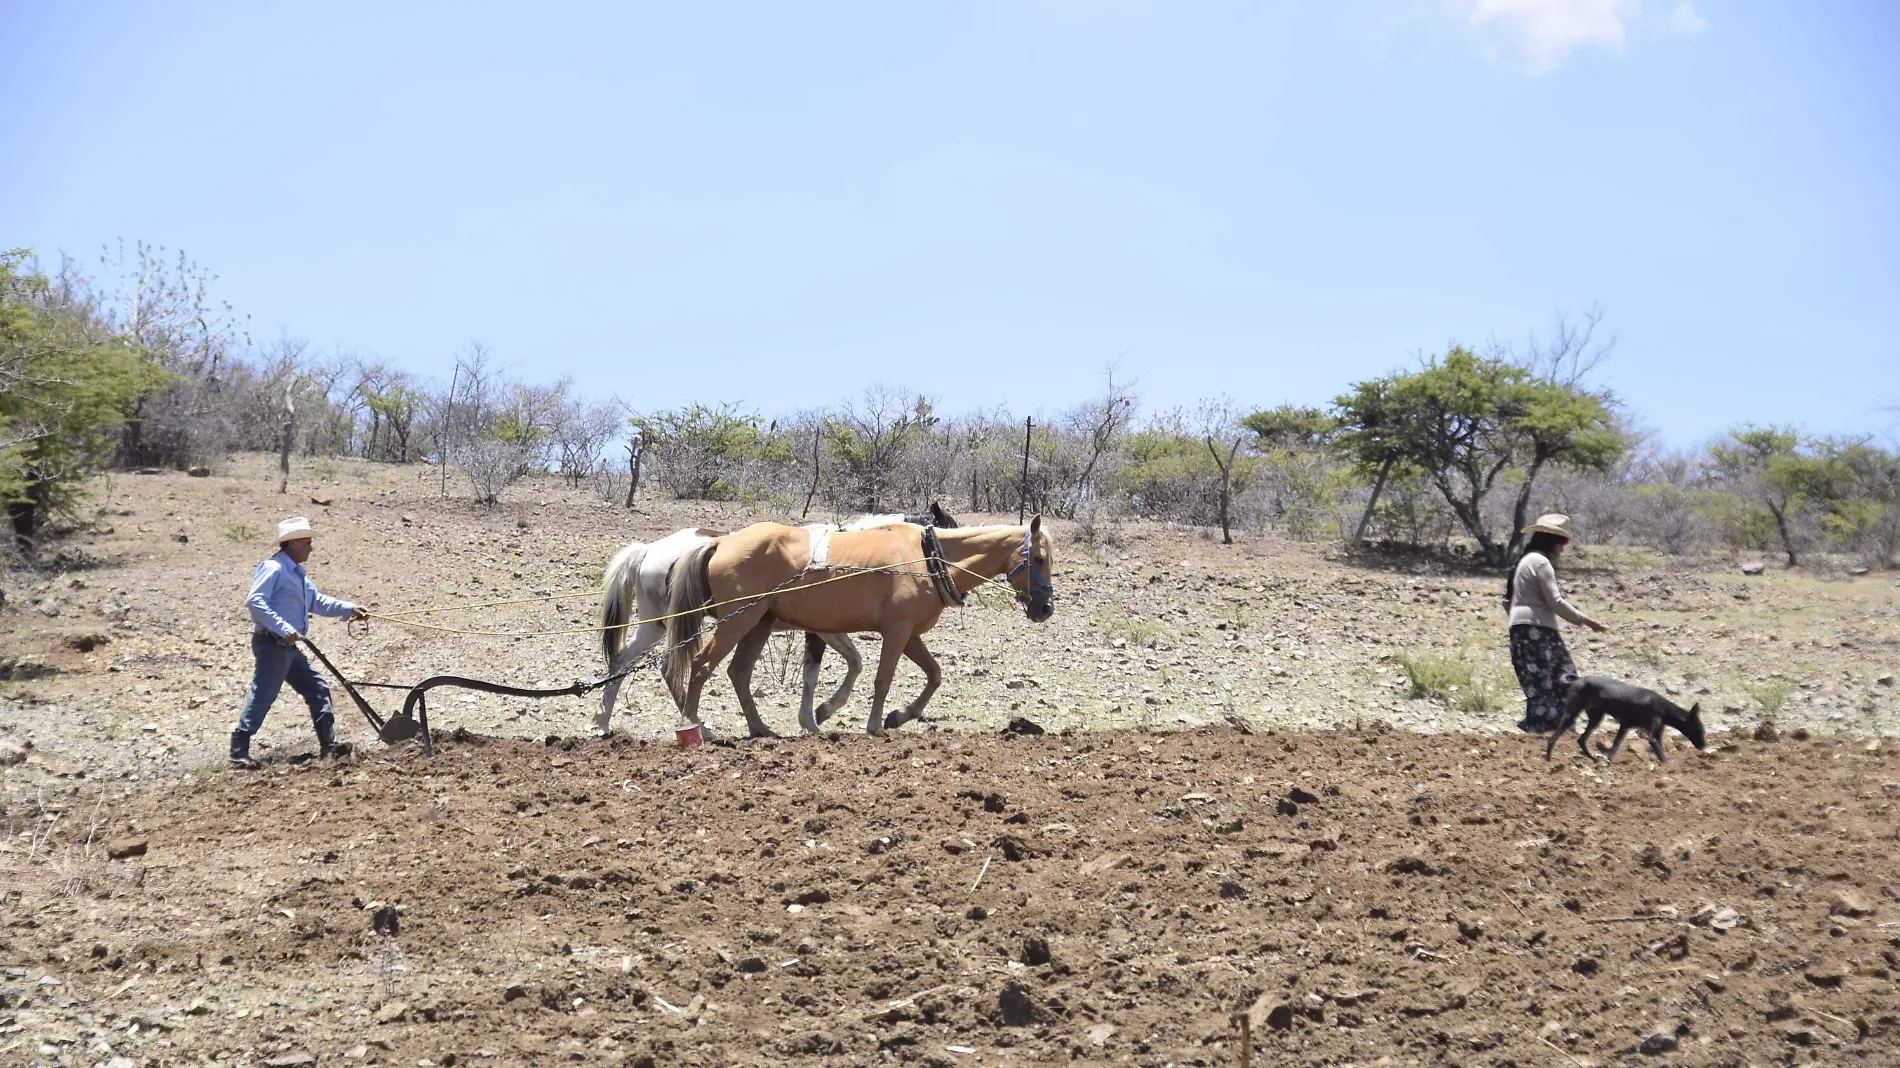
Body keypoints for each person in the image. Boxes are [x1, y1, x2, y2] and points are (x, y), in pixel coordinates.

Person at [230, 517, 367, 768]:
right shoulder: (274, 568)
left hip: (287, 646)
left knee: (317, 688)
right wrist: (283, 627)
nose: (311, 548)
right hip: (272, 644)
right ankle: (239, 750)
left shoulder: (296, 573)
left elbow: (317, 602)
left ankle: (328, 747)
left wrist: (349, 609)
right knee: (264, 693)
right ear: (292, 543)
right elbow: (255, 601)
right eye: (307, 542)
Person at [1503, 513, 1608, 734]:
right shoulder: (1541, 562)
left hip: (1520, 628)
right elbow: (1555, 601)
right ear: (1554, 542)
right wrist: (1586, 621)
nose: (1562, 550)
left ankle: (1545, 723)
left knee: (1539, 679)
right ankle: (1556, 724)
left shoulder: (1524, 561)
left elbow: (1507, 601)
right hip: (1539, 629)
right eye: (1562, 544)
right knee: (1564, 675)